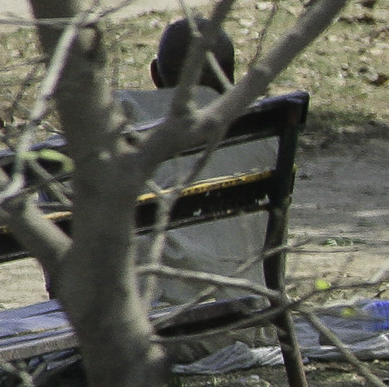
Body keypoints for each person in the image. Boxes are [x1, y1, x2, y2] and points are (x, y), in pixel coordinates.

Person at [114, 18, 278, 313]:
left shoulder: (125, 114)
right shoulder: (265, 130)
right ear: (230, 76)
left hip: (157, 311)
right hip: (250, 304)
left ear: (155, 74)